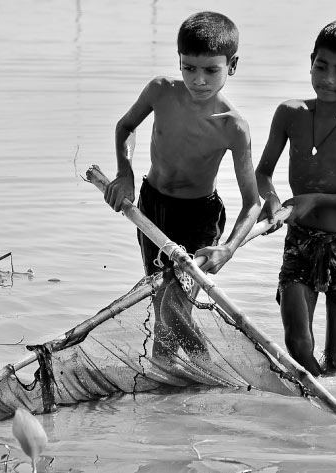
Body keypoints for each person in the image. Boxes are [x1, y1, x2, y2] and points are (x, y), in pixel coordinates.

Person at [103, 11, 260, 357]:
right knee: (163, 304)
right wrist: (124, 172)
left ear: (231, 66)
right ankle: (170, 393)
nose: (198, 80)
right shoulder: (161, 91)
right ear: (179, 62)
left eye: (210, 70)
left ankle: (205, 374)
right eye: (189, 68)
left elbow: (253, 203)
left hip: (198, 218)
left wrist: (228, 247)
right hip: (152, 207)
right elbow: (124, 127)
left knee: (175, 306)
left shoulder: (233, 126)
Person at [255, 19, 336, 376]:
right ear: (311, 61)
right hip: (300, 239)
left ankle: (332, 405)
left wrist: (316, 198)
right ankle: (311, 414)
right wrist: (271, 201)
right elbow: (263, 172)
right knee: (298, 344)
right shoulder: (289, 114)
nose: (328, 79)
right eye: (321, 67)